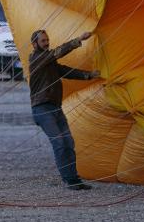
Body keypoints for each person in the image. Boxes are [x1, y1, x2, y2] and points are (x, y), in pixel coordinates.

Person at [29, 30, 100, 190]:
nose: (46, 43)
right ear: (34, 44)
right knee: (60, 143)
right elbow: (58, 52)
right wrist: (78, 40)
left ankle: (74, 179)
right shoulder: (37, 59)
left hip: (55, 108)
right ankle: (69, 179)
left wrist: (89, 75)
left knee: (68, 142)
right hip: (42, 109)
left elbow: (66, 71)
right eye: (43, 41)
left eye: (47, 40)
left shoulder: (49, 62)